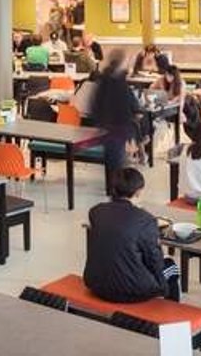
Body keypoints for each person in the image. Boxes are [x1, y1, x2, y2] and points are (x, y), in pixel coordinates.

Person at [84, 165, 182, 303]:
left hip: (95, 284)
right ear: (138, 192)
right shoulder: (146, 220)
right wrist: (162, 286)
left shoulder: (96, 212)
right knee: (170, 267)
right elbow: (154, 259)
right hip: (131, 291)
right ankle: (171, 315)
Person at [89, 49, 138, 196]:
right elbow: (129, 103)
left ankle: (112, 188)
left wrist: (98, 122)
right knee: (117, 159)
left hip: (106, 125)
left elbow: (96, 103)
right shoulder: (119, 81)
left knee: (112, 159)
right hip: (118, 125)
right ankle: (117, 190)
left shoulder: (103, 79)